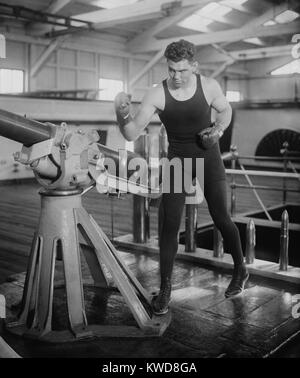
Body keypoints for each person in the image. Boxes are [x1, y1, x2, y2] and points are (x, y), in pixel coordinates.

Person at [114, 39, 249, 316]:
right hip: (178, 160)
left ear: (194, 67)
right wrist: (122, 113)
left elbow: (226, 110)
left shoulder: (209, 86)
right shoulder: (156, 94)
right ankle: (165, 288)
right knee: (169, 223)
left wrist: (219, 129)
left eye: (182, 71)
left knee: (221, 216)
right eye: (171, 70)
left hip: (208, 156)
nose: (176, 76)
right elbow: (130, 133)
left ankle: (241, 270)